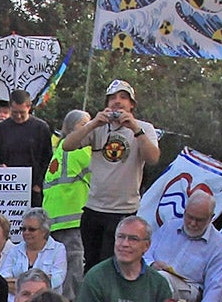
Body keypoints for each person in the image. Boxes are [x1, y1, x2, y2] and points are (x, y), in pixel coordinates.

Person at [61, 80, 162, 270]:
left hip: (123, 211)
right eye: (113, 98)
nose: (117, 102)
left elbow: (153, 158)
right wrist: (92, 124)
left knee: (113, 266)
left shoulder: (144, 128)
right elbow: (68, 145)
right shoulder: (98, 128)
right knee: (91, 265)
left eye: (123, 98)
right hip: (94, 208)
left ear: (131, 104)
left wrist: (135, 129)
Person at [145, 189, 222, 302]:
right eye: (189, 217)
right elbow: (146, 252)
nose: (192, 223)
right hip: (152, 274)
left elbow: (215, 287)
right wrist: (152, 263)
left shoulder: (219, 246)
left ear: (211, 218)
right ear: (184, 211)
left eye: (199, 220)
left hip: (188, 287)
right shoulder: (170, 226)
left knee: (161, 280)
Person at [44, 109, 94, 298]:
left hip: (56, 219)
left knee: (59, 267)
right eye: (84, 124)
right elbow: (107, 171)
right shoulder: (80, 149)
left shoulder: (58, 149)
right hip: (73, 219)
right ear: (73, 127)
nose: (89, 127)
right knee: (74, 267)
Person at [0, 89, 54, 200]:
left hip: (32, 188)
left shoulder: (41, 128)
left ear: (29, 107)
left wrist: (39, 184)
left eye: (22, 113)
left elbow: (47, 158)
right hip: (7, 189)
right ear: (10, 107)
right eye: (15, 113)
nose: (19, 116)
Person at [0, 208, 67, 295]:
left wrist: (17, 282)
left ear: (44, 231)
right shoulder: (14, 250)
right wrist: (38, 284)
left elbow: (56, 280)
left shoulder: (58, 249)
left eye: (31, 229)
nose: (26, 232)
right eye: (23, 229)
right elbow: (4, 280)